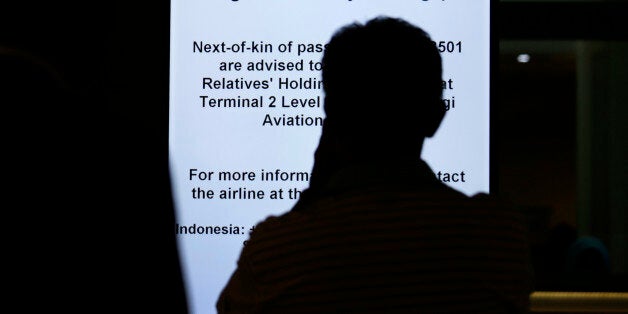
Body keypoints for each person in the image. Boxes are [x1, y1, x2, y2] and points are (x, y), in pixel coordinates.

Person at [216, 16, 534, 313]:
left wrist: (310, 199)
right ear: (436, 116)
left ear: (330, 117)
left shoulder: (273, 250)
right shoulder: (499, 235)